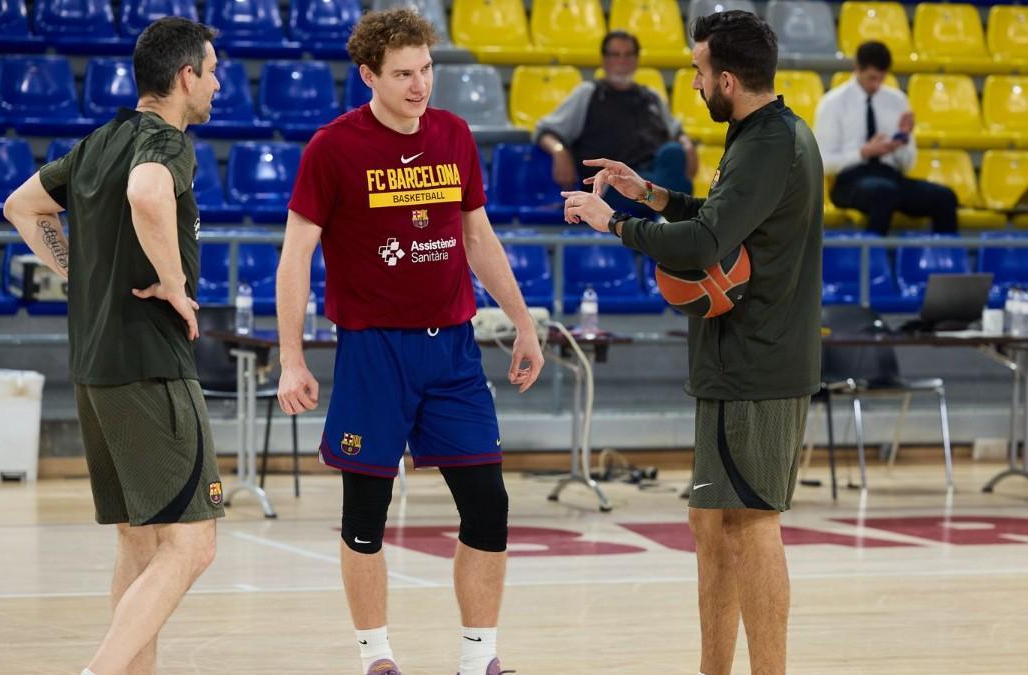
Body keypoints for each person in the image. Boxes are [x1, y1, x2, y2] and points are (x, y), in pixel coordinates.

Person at [274, 9, 544, 675]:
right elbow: (294, 257)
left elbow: (478, 238)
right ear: (368, 75)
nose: (420, 85)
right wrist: (291, 356)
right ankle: (377, 654)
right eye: (403, 74)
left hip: (451, 349)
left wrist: (524, 320)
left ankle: (479, 656)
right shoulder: (332, 149)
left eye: (426, 70)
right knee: (364, 515)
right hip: (372, 352)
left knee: (488, 503)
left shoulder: (453, 135)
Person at [559, 10, 821, 675]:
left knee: (753, 522)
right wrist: (647, 193)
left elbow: (705, 244)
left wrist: (612, 221)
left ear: (728, 79)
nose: (696, 83)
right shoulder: (760, 134)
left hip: (757, 361)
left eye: (701, 72)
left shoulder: (769, 143)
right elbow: (715, 216)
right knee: (712, 522)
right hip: (731, 359)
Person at [2, 17, 222, 675]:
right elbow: (147, 193)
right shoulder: (164, 141)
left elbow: (21, 206)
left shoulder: (100, 140)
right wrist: (177, 285)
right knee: (192, 545)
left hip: (95, 366)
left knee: (140, 539)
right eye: (211, 72)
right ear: (186, 77)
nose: (216, 85)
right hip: (150, 364)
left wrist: (75, 269)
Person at [535, 30, 697, 216]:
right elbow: (545, 131)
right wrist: (559, 151)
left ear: (636, 60)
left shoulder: (651, 97)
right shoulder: (588, 93)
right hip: (613, 184)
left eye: (628, 55)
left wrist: (687, 145)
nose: (622, 61)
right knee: (680, 187)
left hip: (652, 177)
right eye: (615, 55)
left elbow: (676, 131)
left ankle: (662, 208)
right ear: (604, 60)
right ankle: (668, 210)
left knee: (674, 153)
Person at [814, 40, 958, 236]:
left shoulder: (897, 100)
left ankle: (944, 261)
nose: (876, 85)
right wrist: (863, 153)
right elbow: (823, 162)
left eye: (881, 79)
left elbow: (907, 165)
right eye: (871, 78)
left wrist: (902, 142)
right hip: (849, 180)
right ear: (857, 69)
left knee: (945, 197)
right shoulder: (833, 103)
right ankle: (874, 262)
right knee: (884, 193)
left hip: (889, 176)